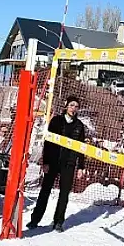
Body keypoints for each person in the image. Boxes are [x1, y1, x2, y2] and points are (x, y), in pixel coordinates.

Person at [29, 95, 87, 232]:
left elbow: (81, 147)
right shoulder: (56, 121)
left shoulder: (79, 125)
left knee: (64, 194)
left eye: (76, 106)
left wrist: (81, 166)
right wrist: (46, 162)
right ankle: (34, 220)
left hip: (69, 163)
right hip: (54, 161)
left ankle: (58, 222)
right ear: (66, 106)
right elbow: (48, 143)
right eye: (72, 105)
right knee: (45, 191)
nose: (74, 108)